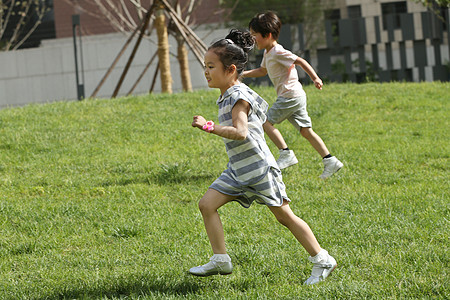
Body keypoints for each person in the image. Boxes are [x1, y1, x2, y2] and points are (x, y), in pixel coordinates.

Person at [189, 29, 336, 285]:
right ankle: (221, 259)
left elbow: (241, 132)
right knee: (206, 205)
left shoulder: (238, 96)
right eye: (205, 66)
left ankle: (323, 259)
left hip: (259, 169)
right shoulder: (228, 94)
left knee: (284, 216)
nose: (206, 71)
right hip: (238, 169)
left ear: (231, 69)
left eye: (211, 66)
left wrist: (209, 127)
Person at [242, 11, 343, 179]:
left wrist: (315, 78)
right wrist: (242, 74)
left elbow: (300, 61)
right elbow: (262, 71)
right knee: (306, 131)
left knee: (265, 122)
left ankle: (286, 153)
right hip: (295, 96)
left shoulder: (278, 52)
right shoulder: (268, 53)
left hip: (290, 96)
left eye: (254, 35)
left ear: (267, 35)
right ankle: (330, 160)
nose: (252, 39)